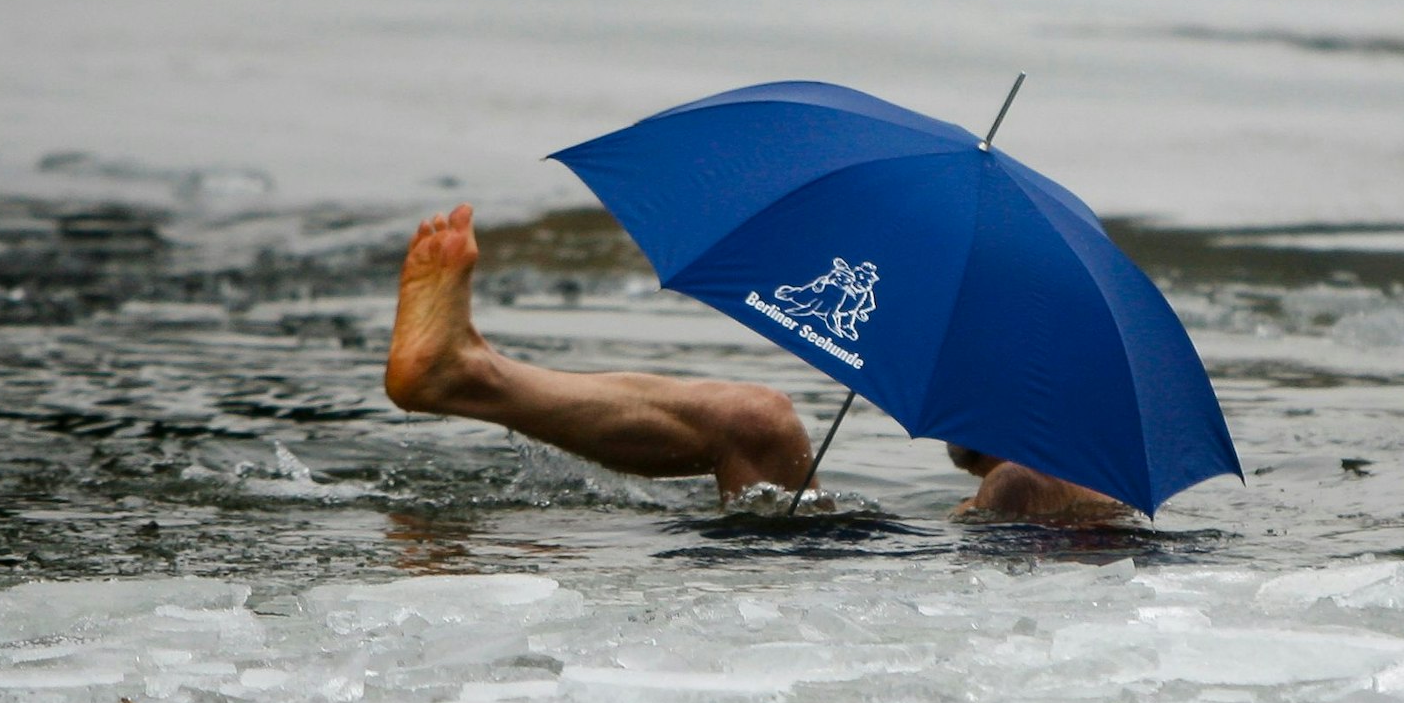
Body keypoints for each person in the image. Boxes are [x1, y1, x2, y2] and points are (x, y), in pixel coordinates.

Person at [386, 203, 1123, 521]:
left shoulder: (1026, 480)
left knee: (756, 420)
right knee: (753, 420)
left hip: (845, 598)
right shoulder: (1056, 475)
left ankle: (468, 373)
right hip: (867, 572)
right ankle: (466, 372)